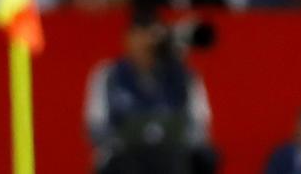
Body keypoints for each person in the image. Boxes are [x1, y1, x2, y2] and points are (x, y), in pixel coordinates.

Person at [85, 10, 216, 174]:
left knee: (204, 158)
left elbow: (200, 123)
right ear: (127, 39)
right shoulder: (107, 75)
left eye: (149, 36)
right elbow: (95, 126)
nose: (144, 44)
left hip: (173, 154)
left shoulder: (183, 75)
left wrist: (172, 142)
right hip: (124, 155)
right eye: (138, 35)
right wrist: (132, 141)